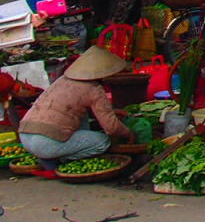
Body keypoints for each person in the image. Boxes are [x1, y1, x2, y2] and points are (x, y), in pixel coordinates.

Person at [18, 46, 134, 176]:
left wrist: (113, 112)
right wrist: (128, 133)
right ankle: (59, 160)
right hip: (47, 143)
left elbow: (69, 108)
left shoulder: (61, 80)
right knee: (102, 142)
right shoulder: (93, 89)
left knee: (81, 117)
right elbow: (111, 128)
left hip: (25, 136)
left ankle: (48, 157)